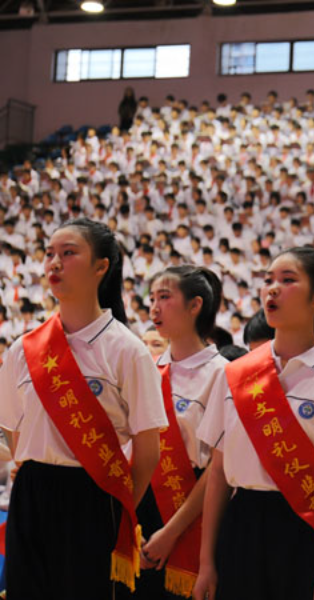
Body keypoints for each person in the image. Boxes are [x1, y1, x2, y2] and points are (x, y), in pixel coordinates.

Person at [193, 247, 314, 600]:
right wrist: (206, 563)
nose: (272, 289)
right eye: (268, 281)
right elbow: (217, 473)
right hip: (241, 524)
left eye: (288, 280)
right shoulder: (235, 374)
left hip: (305, 529)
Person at [0, 218, 167, 599]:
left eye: (69, 253)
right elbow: (13, 428)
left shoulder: (127, 350)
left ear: (101, 266)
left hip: (96, 494)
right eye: (50, 254)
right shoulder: (23, 350)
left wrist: (118, 502)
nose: (54, 263)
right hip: (31, 492)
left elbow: (148, 449)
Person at [118, 266, 228, 599]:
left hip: (194, 511)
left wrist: (171, 532)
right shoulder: (148, 370)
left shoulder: (223, 373)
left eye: (164, 298)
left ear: (195, 305)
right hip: (143, 505)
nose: (154, 308)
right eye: (152, 299)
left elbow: (217, 467)